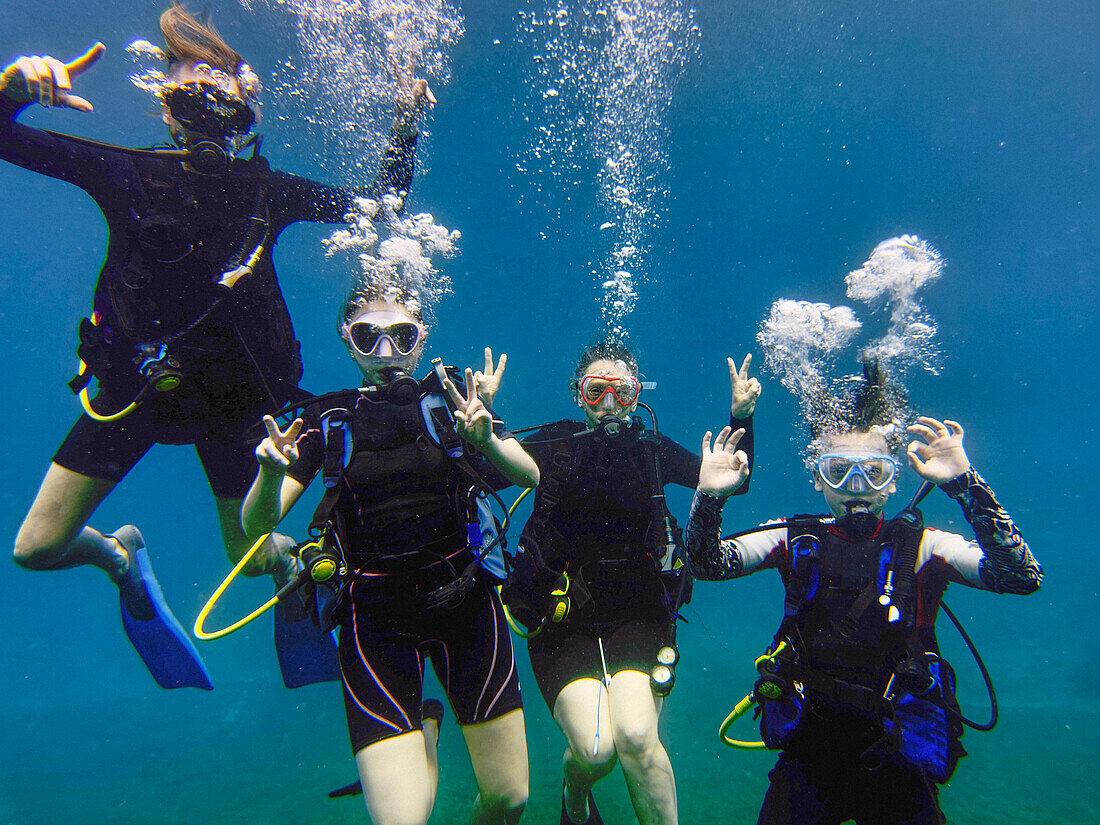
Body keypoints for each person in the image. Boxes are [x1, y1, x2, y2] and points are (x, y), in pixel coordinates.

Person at [5, 2, 431, 689]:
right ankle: (121, 560)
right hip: (140, 391)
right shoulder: (126, 173)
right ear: (166, 107)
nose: (203, 96)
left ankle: (305, 566)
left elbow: (381, 203)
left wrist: (409, 118)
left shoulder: (264, 189)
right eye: (187, 81)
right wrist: (14, 91)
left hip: (239, 407)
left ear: (246, 107)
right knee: (36, 547)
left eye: (220, 83)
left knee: (255, 555)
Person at [686, 379, 1042, 824]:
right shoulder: (796, 537)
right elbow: (704, 564)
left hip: (898, 749)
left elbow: (1021, 577)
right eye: (838, 471)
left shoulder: (924, 546)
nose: (856, 486)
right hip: (811, 749)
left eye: (874, 472)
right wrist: (710, 497)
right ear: (817, 478)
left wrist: (965, 485)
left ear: (893, 482)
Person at [242, 293, 537, 825]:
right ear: (348, 344)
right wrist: (267, 473)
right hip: (373, 617)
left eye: (401, 336)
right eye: (367, 337)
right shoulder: (324, 419)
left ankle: (424, 723)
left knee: (509, 797)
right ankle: (422, 725)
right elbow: (256, 524)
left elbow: (529, 476)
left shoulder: (453, 399)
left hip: (466, 604)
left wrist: (486, 437)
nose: (386, 351)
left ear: (421, 339)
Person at [502, 345, 759, 825]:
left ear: (637, 396)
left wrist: (742, 417)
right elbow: (490, 466)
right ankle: (574, 796)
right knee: (596, 751)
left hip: (640, 612)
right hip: (560, 617)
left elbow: (733, 480)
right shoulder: (556, 446)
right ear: (579, 396)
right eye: (595, 391)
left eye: (622, 393)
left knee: (638, 738)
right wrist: (481, 432)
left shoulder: (652, 452)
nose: (609, 405)